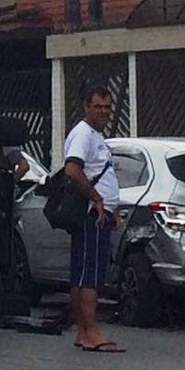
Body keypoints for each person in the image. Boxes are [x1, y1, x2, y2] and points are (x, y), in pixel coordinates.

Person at [63, 86, 125, 353]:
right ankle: (90, 331)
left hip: (100, 213)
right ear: (86, 106)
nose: (103, 112)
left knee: (82, 272)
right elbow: (73, 170)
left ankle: (82, 331)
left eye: (107, 107)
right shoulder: (83, 135)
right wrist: (98, 200)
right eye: (98, 106)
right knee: (90, 275)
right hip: (91, 214)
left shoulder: (95, 136)